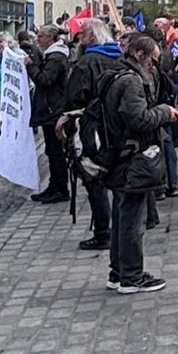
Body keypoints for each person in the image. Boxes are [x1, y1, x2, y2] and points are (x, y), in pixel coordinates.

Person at [102, 31, 177, 295]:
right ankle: (131, 276)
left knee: (122, 214)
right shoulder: (132, 81)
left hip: (118, 154)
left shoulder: (115, 73)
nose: (155, 66)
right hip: (131, 156)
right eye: (153, 61)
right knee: (132, 218)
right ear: (139, 55)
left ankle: (118, 271)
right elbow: (139, 119)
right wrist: (165, 113)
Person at [62, 20, 124, 249]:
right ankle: (118, 227)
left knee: (93, 176)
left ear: (89, 37)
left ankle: (103, 232)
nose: (78, 39)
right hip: (118, 125)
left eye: (81, 35)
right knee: (118, 177)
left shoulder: (86, 63)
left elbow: (73, 98)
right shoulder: (119, 57)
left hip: (93, 127)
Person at [28, 26, 72, 206]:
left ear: (51, 38)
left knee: (56, 152)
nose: (38, 40)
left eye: (41, 37)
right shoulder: (52, 56)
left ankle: (60, 188)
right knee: (52, 151)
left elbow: (45, 80)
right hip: (50, 109)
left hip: (53, 110)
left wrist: (31, 67)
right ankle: (54, 186)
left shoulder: (56, 58)